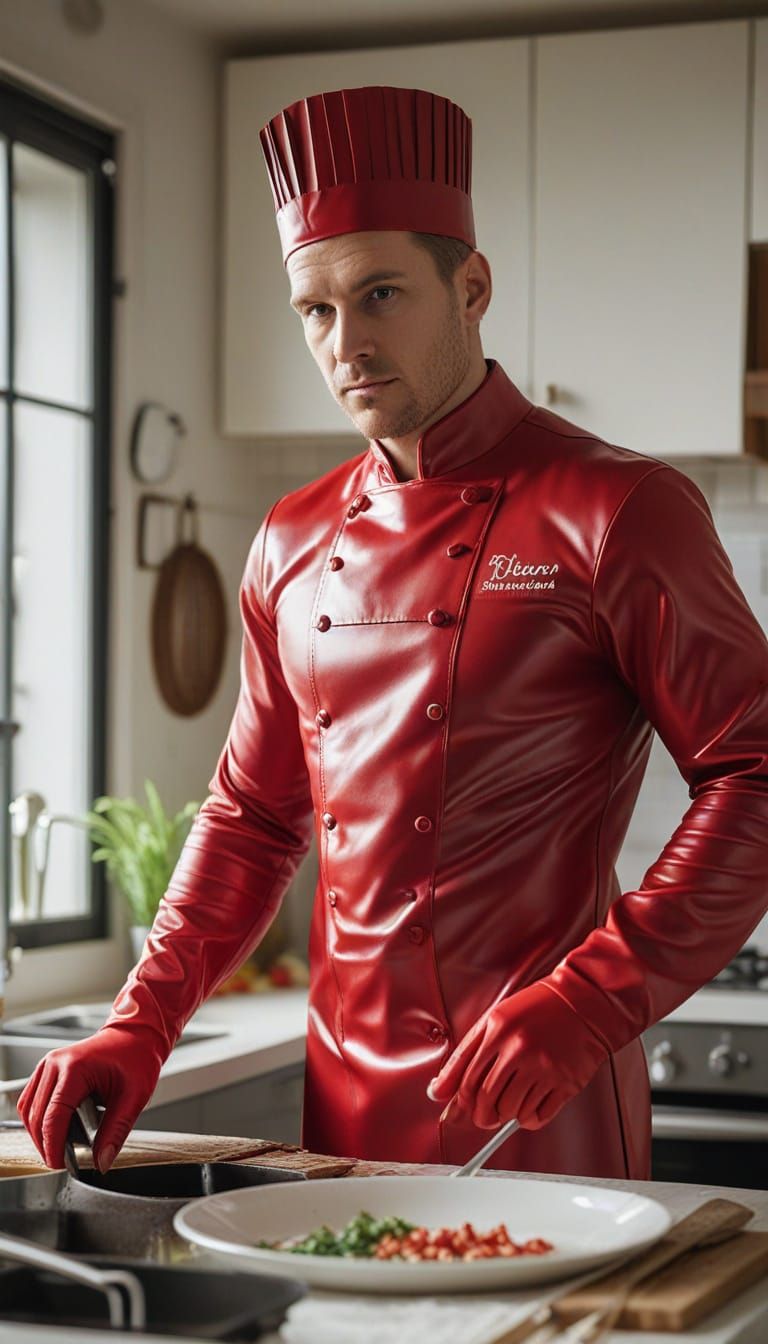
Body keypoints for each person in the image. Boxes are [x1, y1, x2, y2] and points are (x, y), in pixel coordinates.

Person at [19, 86, 768, 1181]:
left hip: (535, 1093)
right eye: (316, 311)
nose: (348, 345)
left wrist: (594, 999)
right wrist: (140, 1019)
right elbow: (251, 816)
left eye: (380, 295)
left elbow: (753, 772)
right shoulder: (289, 537)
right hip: (341, 1102)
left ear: (472, 288)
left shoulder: (619, 509)